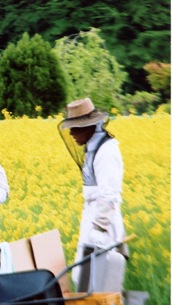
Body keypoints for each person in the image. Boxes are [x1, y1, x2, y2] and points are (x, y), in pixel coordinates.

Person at [58, 97, 128, 292]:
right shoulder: (93, 148)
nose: (71, 132)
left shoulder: (107, 151)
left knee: (97, 283)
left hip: (102, 223)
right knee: (84, 278)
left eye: (76, 127)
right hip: (93, 218)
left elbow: (109, 194)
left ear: (90, 126)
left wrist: (99, 228)